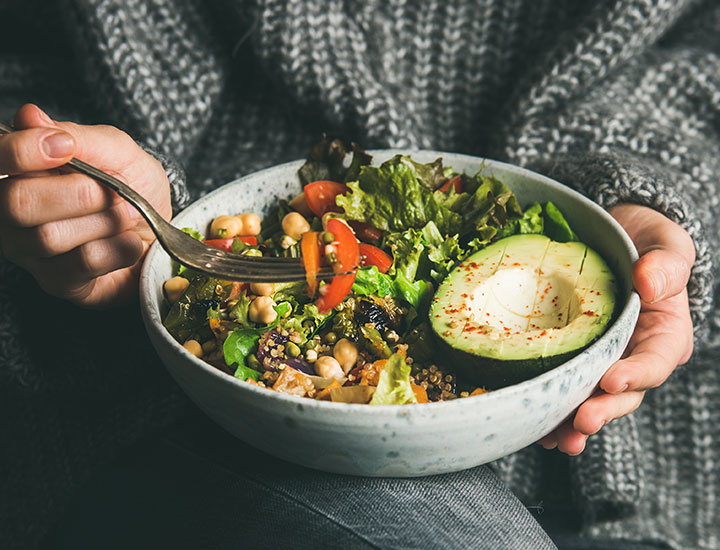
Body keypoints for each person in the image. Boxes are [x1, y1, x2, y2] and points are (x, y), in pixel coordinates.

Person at [0, 1, 716, 549]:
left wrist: (640, 198)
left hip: (661, 468)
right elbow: (28, 59)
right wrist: (102, 208)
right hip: (200, 415)